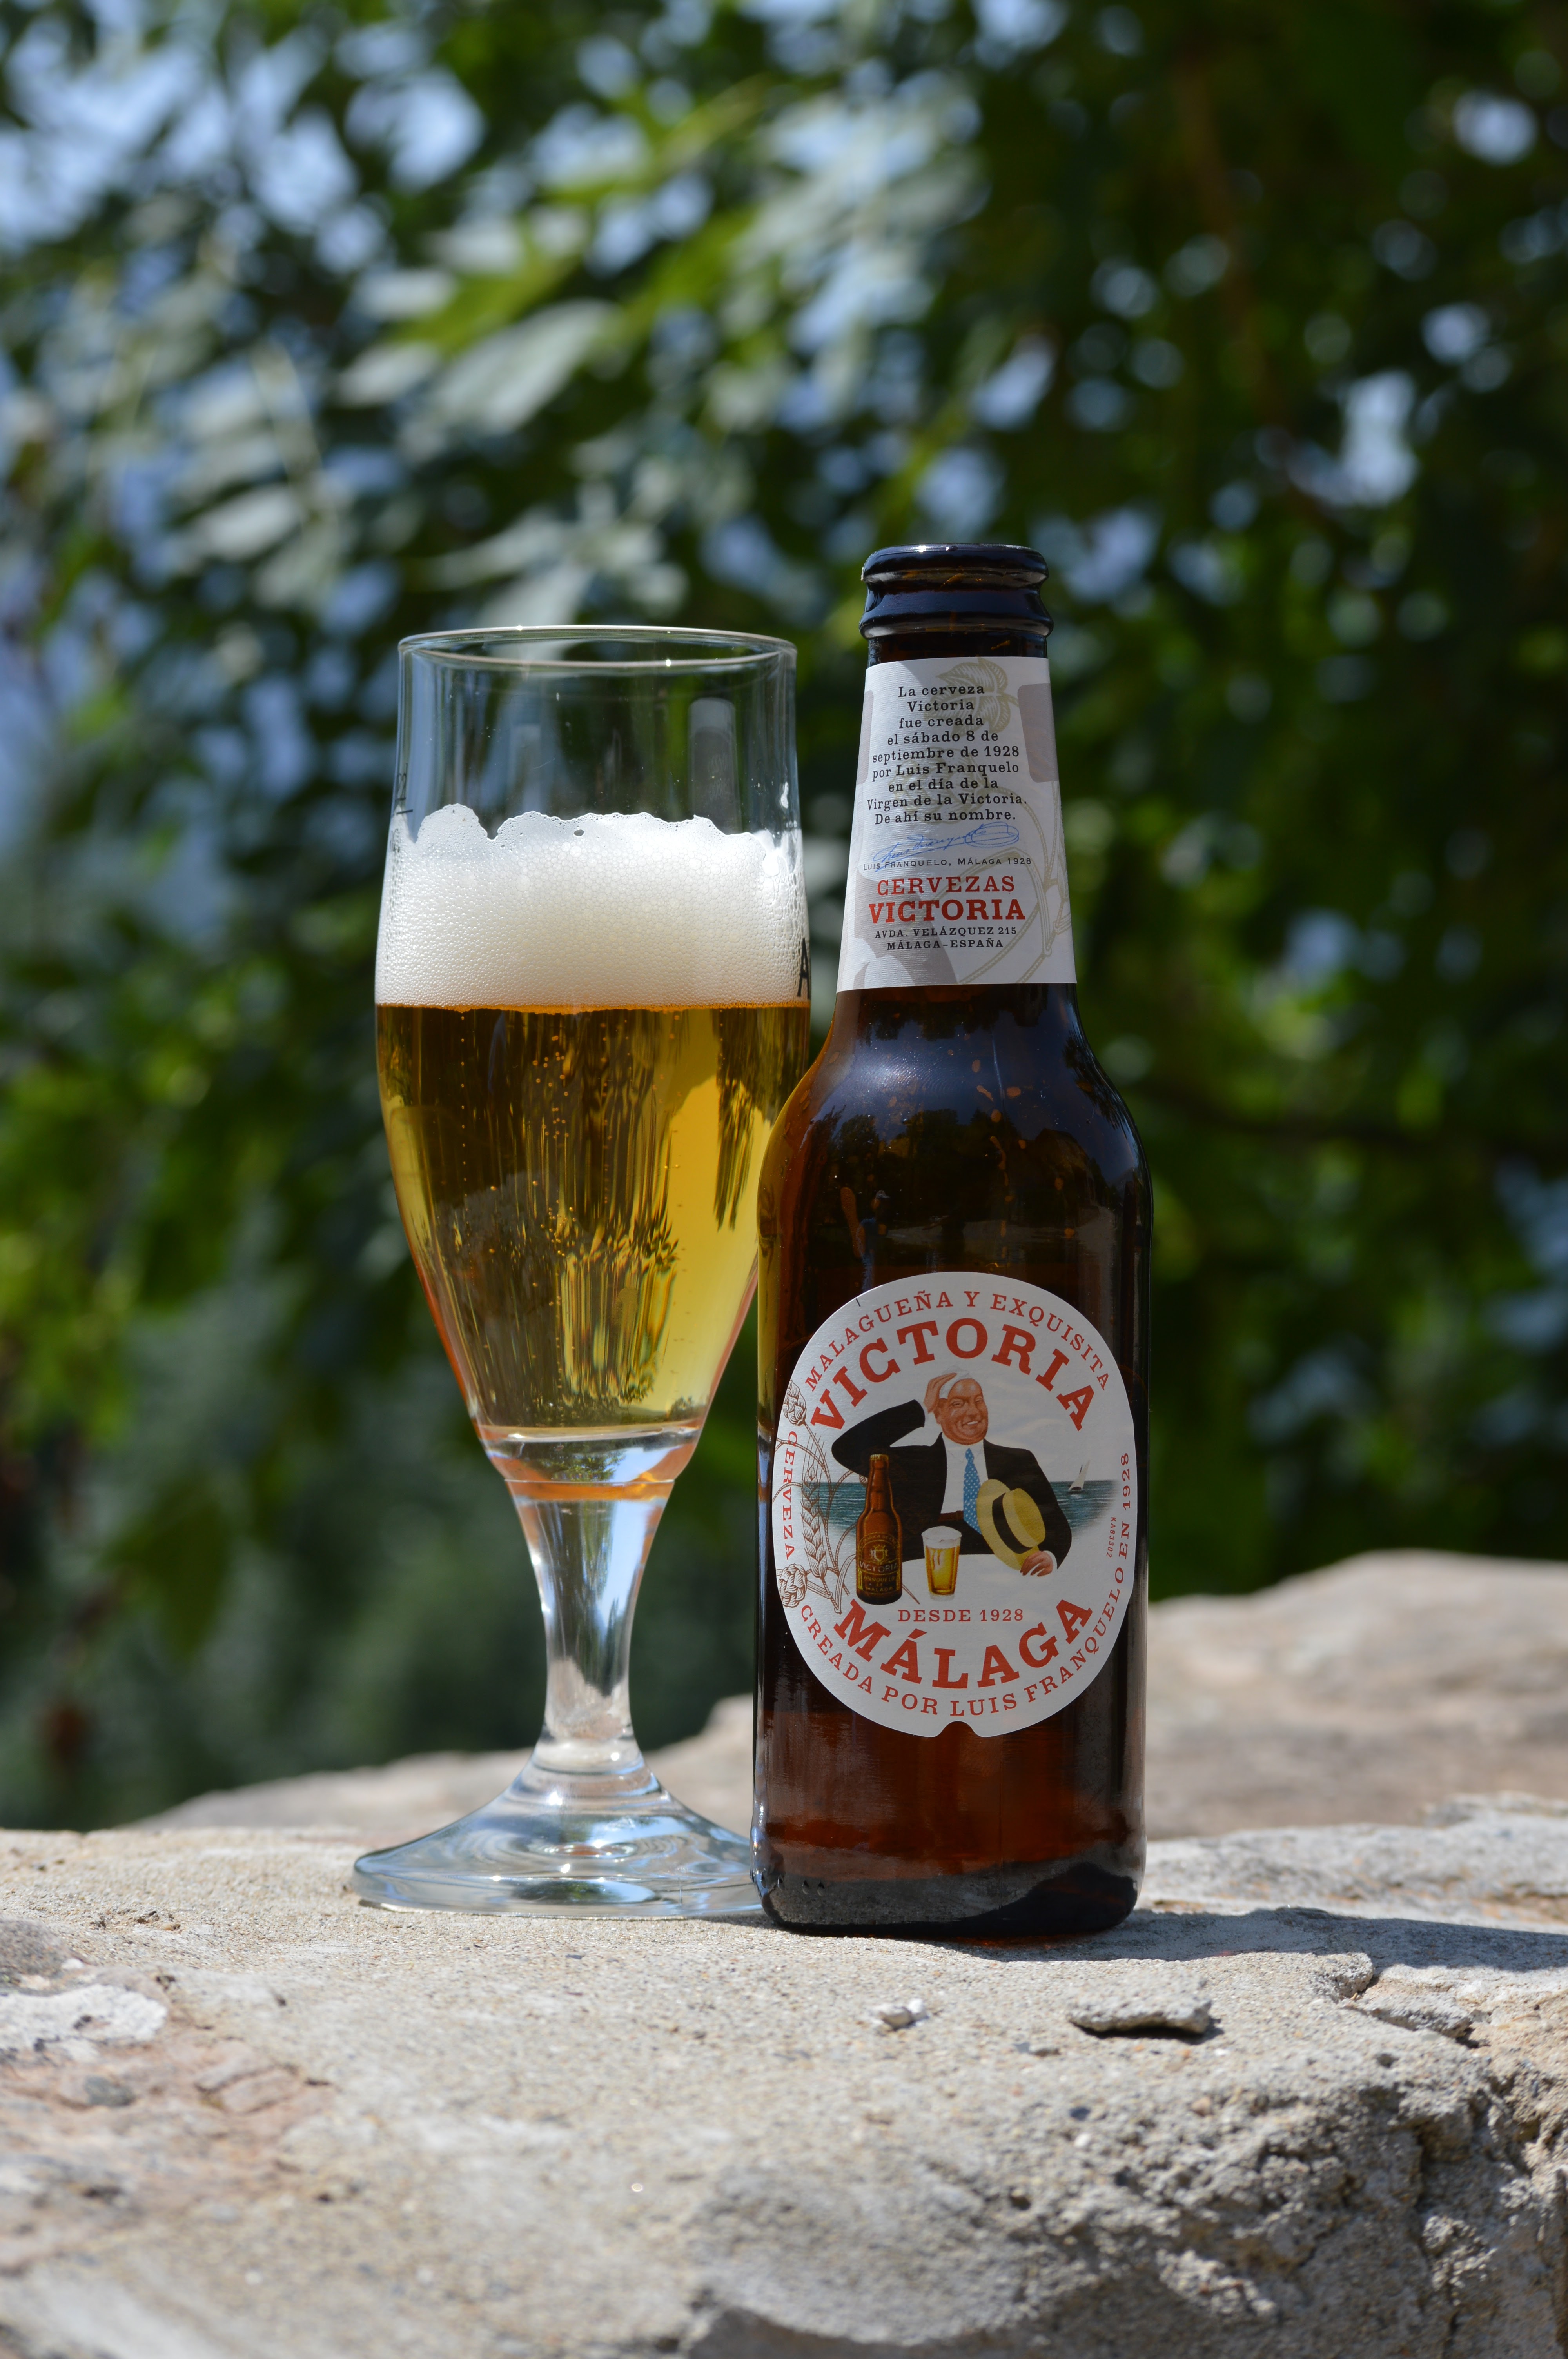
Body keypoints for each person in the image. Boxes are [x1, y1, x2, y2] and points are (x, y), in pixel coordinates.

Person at [831, 1373, 1071, 1576]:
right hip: (923, 1566)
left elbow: (1056, 1523)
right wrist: (920, 1409)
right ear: (938, 1414)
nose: (974, 1412)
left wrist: (1051, 1556)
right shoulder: (911, 1462)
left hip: (1004, 1569)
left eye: (979, 1401)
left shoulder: (1019, 1461)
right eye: (959, 1404)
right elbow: (847, 1449)